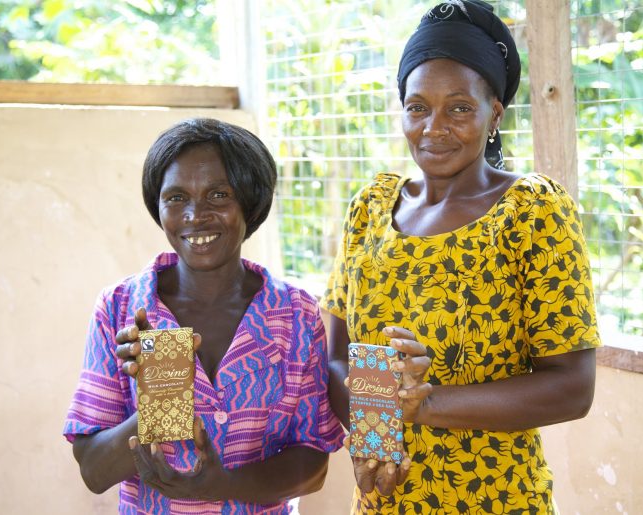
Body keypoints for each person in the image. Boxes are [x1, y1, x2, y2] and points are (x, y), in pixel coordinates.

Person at [320, 1, 601, 513]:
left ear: (494, 113)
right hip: (387, 494)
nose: (434, 127)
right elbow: (337, 355)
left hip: (497, 497)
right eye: (418, 107)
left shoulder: (531, 211)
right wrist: (378, 438)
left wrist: (424, 406)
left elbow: (572, 388)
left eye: (459, 107)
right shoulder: (370, 210)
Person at [63, 118, 344, 514]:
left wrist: (225, 485)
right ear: (157, 206)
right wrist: (161, 401)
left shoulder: (294, 314)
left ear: (250, 200)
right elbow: (94, 471)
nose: (196, 215)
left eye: (218, 194)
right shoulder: (120, 308)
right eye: (176, 198)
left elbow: (313, 463)